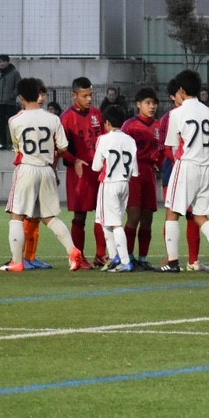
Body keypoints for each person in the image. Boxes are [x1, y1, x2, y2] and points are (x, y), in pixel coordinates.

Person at [0, 78, 88, 273]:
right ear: (38, 94)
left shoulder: (14, 120)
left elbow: (18, 148)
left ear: (21, 97)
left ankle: (16, 261)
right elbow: (63, 147)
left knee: (17, 216)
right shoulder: (53, 119)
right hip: (47, 169)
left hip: (27, 168)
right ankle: (73, 252)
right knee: (50, 217)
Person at [160, 69, 209, 274]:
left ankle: (172, 262)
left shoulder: (177, 113)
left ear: (181, 90)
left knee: (172, 212)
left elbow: (173, 146)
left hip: (187, 165)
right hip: (205, 167)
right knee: (201, 215)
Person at [60, 76, 109, 267]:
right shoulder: (67, 118)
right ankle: (79, 257)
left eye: (91, 95)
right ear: (75, 96)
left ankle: (100, 254)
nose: (89, 99)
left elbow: (106, 139)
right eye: (85, 95)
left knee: (102, 213)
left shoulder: (97, 114)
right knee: (80, 216)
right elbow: (61, 149)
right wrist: (75, 160)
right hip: (78, 173)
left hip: (98, 171)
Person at [92, 105, 139, 272]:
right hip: (125, 184)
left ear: (107, 123)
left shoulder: (104, 139)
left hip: (110, 183)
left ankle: (125, 261)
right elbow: (135, 171)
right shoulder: (130, 140)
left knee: (115, 224)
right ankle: (114, 257)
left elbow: (96, 167)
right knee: (106, 222)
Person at [122, 88, 161, 270]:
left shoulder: (159, 126)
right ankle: (128, 257)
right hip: (133, 173)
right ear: (138, 105)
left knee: (147, 217)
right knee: (134, 215)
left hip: (149, 173)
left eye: (154, 103)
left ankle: (143, 258)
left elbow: (161, 151)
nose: (151, 107)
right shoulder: (129, 126)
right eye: (147, 103)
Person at [0, 54, 21, 151]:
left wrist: (12, 96)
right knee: (0, 124)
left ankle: (14, 144)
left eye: (3, 61)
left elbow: (19, 86)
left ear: (8, 62)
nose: (1, 63)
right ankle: (3, 143)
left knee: (12, 124)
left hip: (10, 103)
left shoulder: (15, 73)